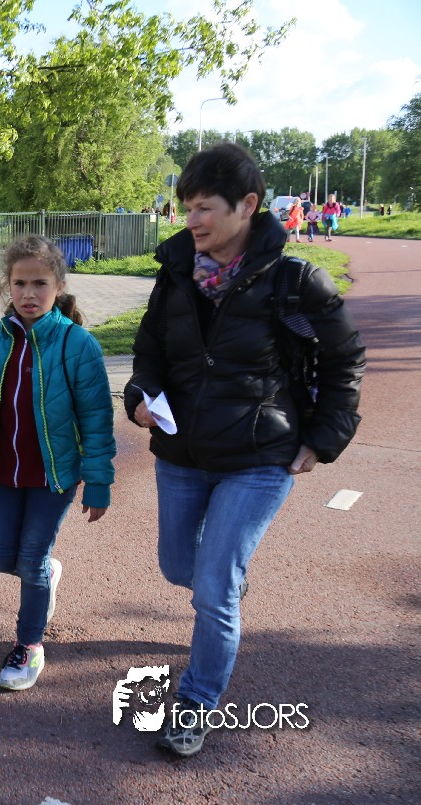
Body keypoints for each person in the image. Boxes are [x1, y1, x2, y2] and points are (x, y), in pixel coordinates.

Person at [125, 143, 365, 757]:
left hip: (260, 457)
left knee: (213, 586)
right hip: (182, 451)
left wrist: (325, 437)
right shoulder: (175, 272)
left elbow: (344, 359)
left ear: (248, 205)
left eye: (204, 208)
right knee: (178, 567)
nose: (191, 220)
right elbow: (150, 351)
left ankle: (197, 700)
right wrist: (139, 396)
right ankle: (225, 586)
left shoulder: (296, 281)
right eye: (187, 208)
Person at [0, 234, 116, 692]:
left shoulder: (77, 344)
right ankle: (44, 574)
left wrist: (99, 483)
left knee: (30, 559)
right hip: (7, 473)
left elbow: (97, 420)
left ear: (59, 286)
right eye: (20, 283)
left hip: (54, 476)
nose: (29, 293)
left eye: (40, 283)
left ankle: (29, 644)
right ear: (7, 286)